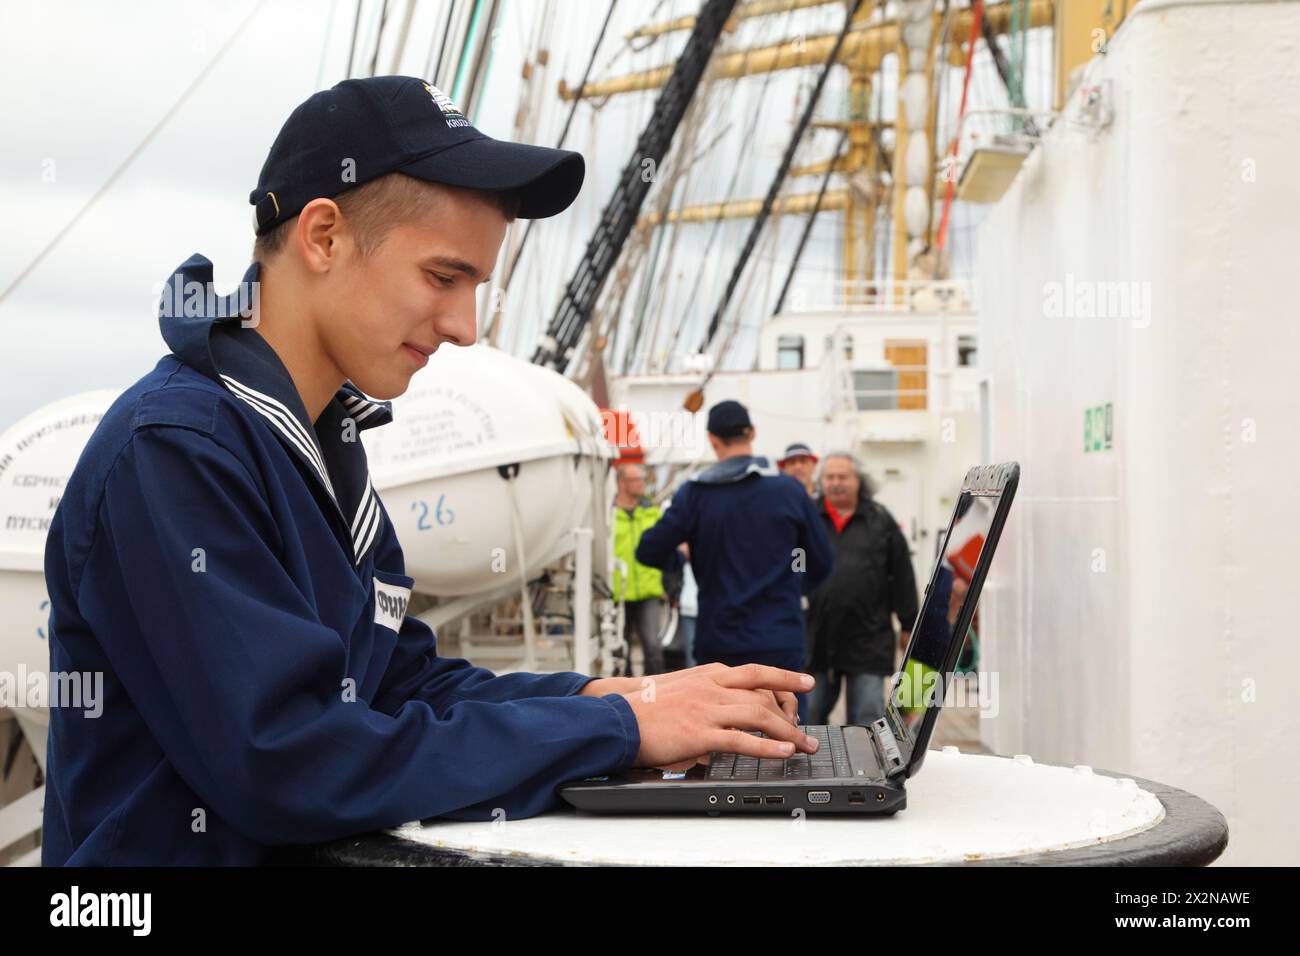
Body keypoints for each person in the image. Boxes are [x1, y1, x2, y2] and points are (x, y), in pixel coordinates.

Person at [40, 76, 819, 866]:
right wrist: (616, 731)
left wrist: (626, 698)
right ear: (324, 237)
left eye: (475, 288)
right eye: (444, 278)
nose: (465, 328)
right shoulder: (176, 450)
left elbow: (401, 685)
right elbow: (287, 762)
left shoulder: (320, 444)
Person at [635, 400, 834, 723]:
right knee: (789, 728)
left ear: (712, 440)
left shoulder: (695, 494)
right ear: (752, 433)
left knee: (725, 736)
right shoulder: (788, 490)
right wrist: (791, 584)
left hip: (720, 639)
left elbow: (648, 550)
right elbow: (822, 560)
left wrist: (680, 558)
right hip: (779, 635)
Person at [805, 453, 919, 726]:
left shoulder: (880, 521)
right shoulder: (808, 518)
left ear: (859, 481)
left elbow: (902, 573)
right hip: (815, 638)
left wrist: (908, 623)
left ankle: (866, 770)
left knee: (868, 720)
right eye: (829, 477)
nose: (835, 483)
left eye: (842, 477)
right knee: (808, 717)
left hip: (867, 640)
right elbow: (794, 560)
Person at [611, 463, 668, 675]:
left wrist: (669, 584)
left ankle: (658, 695)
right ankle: (626, 695)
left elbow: (667, 548)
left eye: (643, 479)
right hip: (618, 593)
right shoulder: (608, 515)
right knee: (619, 649)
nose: (642, 484)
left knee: (653, 646)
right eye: (637, 480)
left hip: (648, 591)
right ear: (622, 483)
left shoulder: (652, 513)